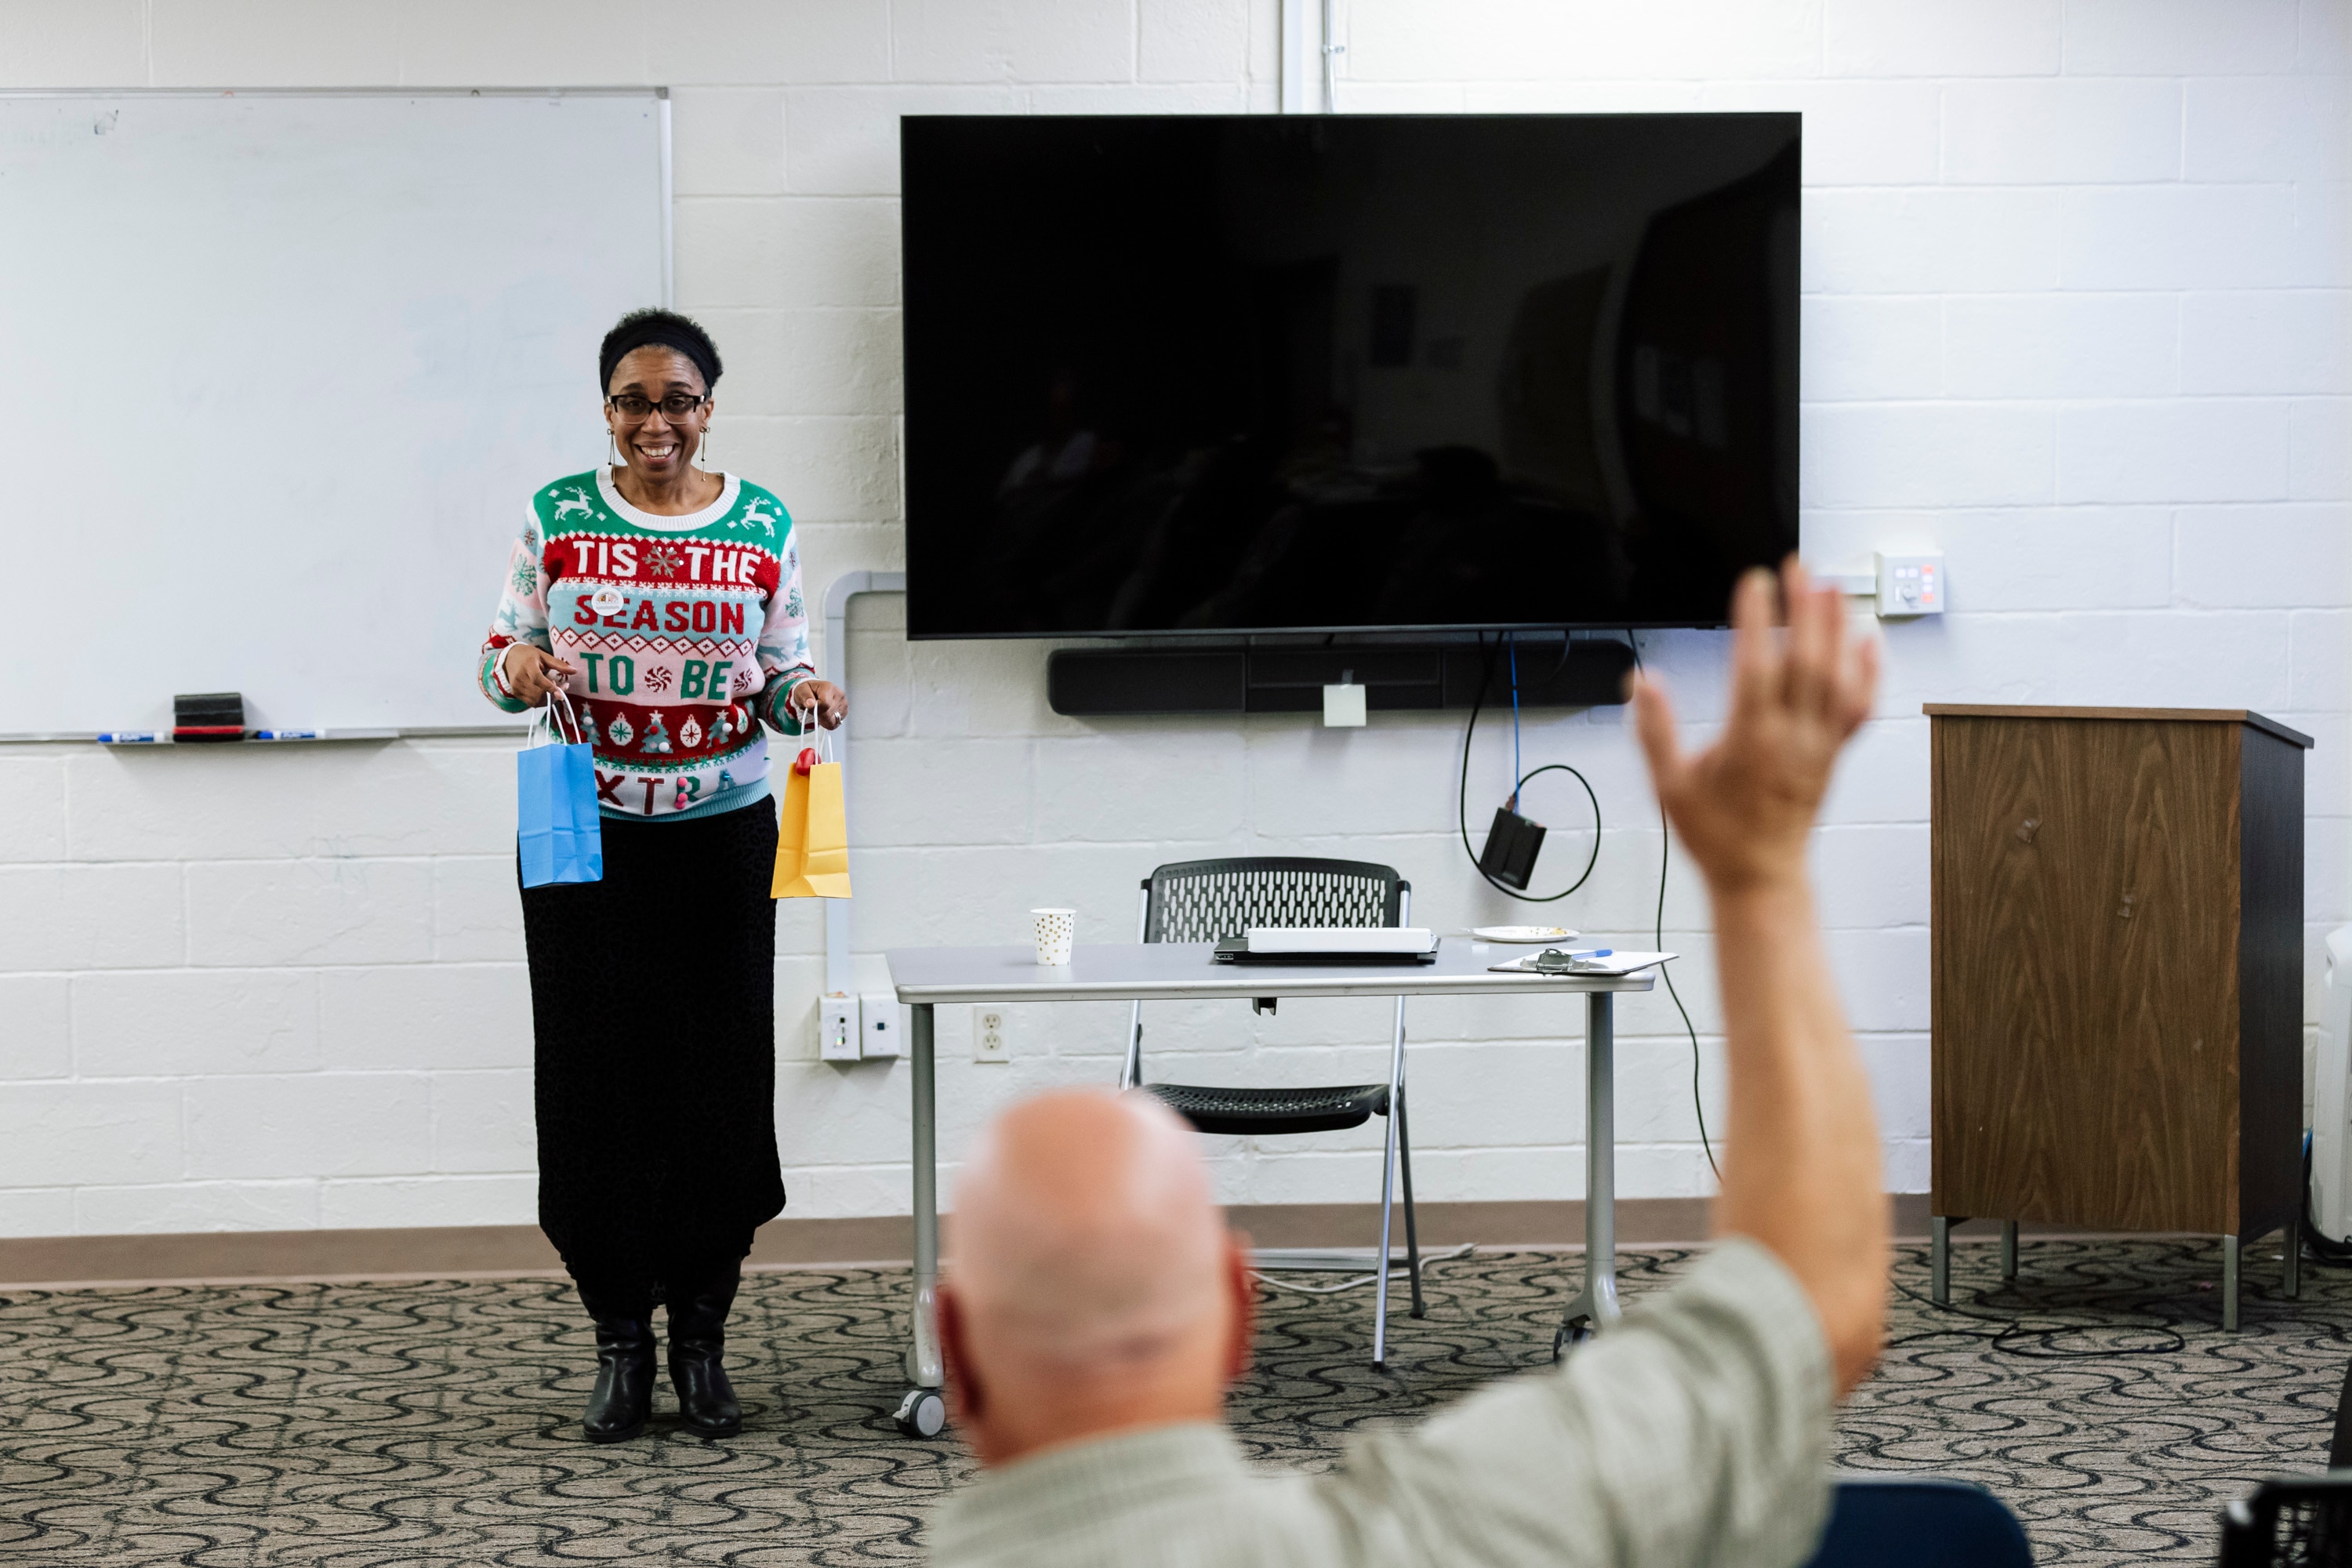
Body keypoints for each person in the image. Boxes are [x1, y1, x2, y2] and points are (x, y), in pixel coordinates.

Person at [932, 558, 1887, 1566]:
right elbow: (1813, 1306)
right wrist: (1759, 874)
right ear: (1235, 1311)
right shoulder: (1451, 1530)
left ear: (956, 1352)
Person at [476, 307, 848, 1443]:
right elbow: (498, 665)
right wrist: (523, 664)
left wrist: (808, 699)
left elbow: (779, 672)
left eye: (676, 401)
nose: (655, 422)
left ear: (707, 409)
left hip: (721, 836)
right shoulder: (556, 518)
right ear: (607, 411)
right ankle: (619, 1344)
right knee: (595, 1086)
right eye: (633, 401)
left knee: (718, 1083)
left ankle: (702, 1336)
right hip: (584, 840)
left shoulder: (763, 523)